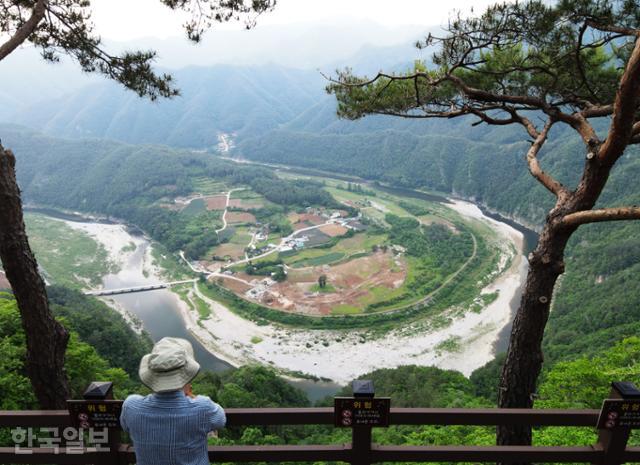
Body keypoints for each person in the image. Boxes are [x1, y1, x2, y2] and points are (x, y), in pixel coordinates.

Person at [120, 337, 226, 465]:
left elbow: (125, 426)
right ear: (186, 373)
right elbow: (220, 419)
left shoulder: (131, 406)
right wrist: (190, 396)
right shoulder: (202, 408)